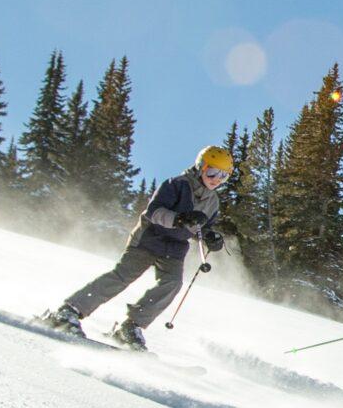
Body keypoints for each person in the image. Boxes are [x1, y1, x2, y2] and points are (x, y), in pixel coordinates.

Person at [41, 144, 232, 348]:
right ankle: (69, 310)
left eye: (224, 176)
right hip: (149, 238)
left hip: (174, 248)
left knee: (172, 284)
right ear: (200, 167)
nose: (216, 179)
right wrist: (179, 218)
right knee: (123, 276)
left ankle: (131, 326)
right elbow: (154, 212)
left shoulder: (213, 202)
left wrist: (211, 237)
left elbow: (203, 227)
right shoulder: (176, 184)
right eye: (212, 172)